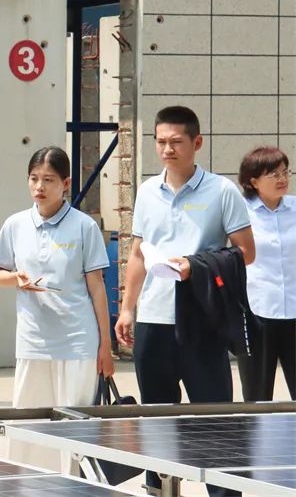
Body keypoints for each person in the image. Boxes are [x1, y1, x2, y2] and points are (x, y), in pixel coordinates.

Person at [115, 106, 254, 497]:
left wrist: (197, 265)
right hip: (153, 323)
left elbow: (246, 252)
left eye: (176, 142)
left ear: (197, 143)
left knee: (214, 421)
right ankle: (158, 490)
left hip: (202, 321)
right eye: (160, 141)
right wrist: (127, 308)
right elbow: (138, 254)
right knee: (157, 421)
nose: (167, 149)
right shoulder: (147, 191)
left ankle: (224, 493)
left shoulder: (221, 191)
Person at [0, 146, 113, 470]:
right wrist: (16, 279)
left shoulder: (84, 226)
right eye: (34, 178)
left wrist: (105, 345)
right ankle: (28, 487)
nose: (39, 187)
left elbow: (97, 287)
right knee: (28, 426)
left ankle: (74, 488)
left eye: (48, 179)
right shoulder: (15, 224)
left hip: (78, 341)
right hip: (33, 341)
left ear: (66, 183)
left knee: (74, 429)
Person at [236, 146, 294, 401]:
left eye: (285, 172)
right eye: (273, 174)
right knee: (257, 397)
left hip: (294, 309)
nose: (282, 179)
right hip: (256, 313)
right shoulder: (240, 212)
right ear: (253, 181)